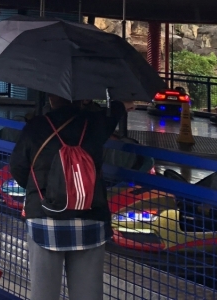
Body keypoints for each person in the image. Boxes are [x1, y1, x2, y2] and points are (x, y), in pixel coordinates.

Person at [9, 94, 131, 300]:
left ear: (51, 99)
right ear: (81, 99)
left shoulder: (36, 126)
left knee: (43, 294)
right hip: (90, 219)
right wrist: (123, 104)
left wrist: (40, 192)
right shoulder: (94, 123)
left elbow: (17, 167)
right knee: (88, 294)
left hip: (44, 219)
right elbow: (113, 114)